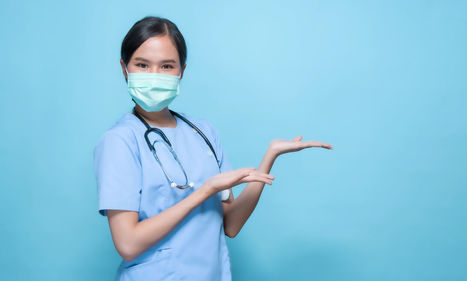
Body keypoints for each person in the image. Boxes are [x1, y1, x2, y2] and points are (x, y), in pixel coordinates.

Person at [93, 16, 333, 281]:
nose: (154, 76)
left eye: (166, 66)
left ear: (181, 71)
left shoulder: (203, 133)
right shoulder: (120, 140)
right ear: (124, 68)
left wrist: (269, 156)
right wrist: (205, 190)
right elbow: (128, 245)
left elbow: (231, 224)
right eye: (142, 65)